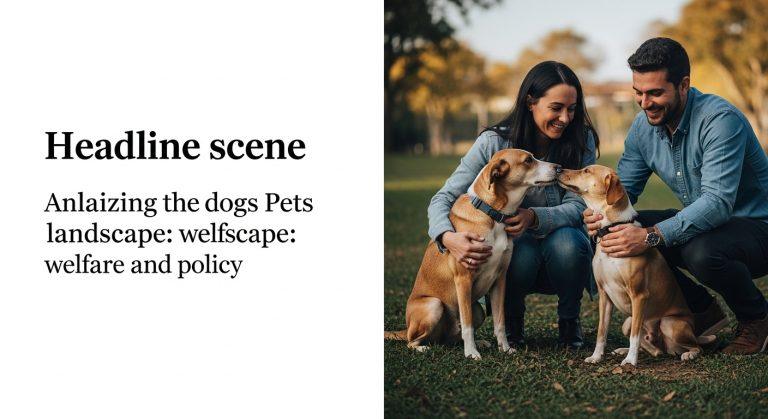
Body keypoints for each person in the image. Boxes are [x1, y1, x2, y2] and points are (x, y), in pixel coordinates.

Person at [583, 37, 768, 354]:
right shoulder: (643, 127)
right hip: (709, 224)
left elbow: (717, 204)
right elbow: (624, 191)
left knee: (701, 251)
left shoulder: (720, 121)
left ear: (683, 85)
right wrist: (600, 216)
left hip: (757, 228)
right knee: (615, 232)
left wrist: (650, 236)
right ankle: (699, 311)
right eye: (638, 92)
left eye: (655, 93)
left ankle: (757, 319)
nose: (645, 103)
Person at [428, 61, 599, 349]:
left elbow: (578, 205)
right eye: (556, 108)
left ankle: (570, 323)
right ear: (531, 102)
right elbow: (443, 198)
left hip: (563, 251)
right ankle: (511, 326)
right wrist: (447, 237)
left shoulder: (581, 140)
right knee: (517, 248)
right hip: (512, 254)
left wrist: (534, 217)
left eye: (572, 109)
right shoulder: (493, 143)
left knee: (569, 243)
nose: (565, 118)